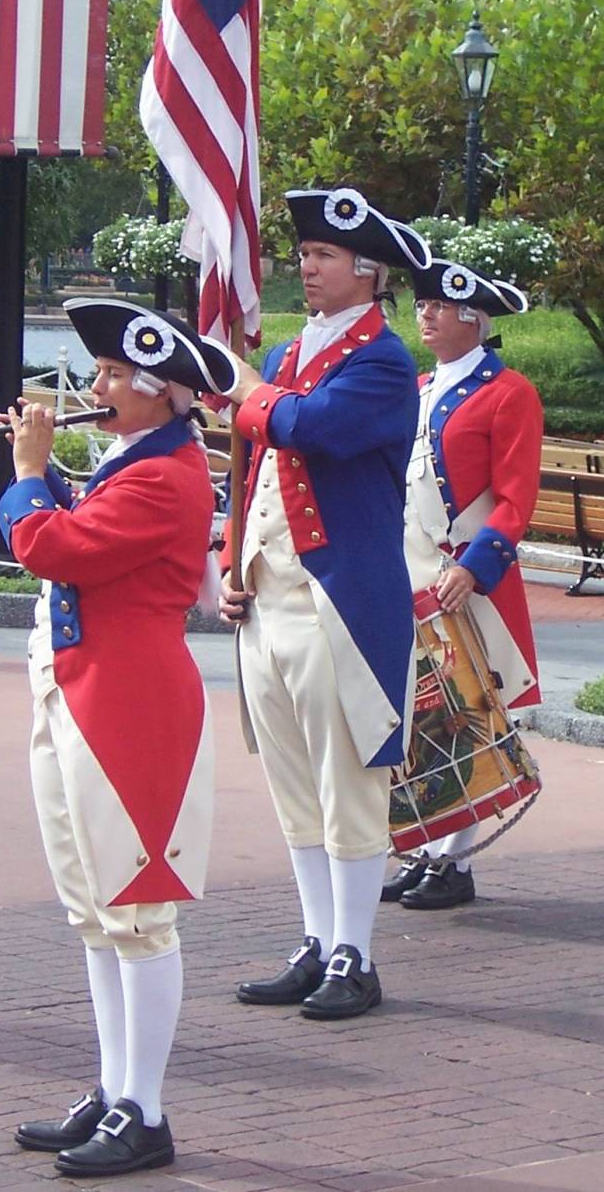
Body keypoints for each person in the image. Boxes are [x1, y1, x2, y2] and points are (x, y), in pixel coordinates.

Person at [0, 298, 233, 1179]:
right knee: (95, 912)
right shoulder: (138, 459)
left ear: (161, 392)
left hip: (127, 705)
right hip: (83, 692)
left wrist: (26, 474)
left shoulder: (164, 475)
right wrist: (48, 471)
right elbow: (77, 531)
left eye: (108, 377)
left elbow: (53, 549)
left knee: (137, 913)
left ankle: (147, 1108)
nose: (93, 388)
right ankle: (113, 1087)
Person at [218, 187, 429, 1021]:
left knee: (349, 785)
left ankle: (356, 954)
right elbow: (250, 469)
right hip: (272, 599)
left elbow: (316, 430)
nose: (306, 267)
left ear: (368, 273)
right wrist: (231, 559)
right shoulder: (279, 360)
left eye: (324, 257)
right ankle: (315, 940)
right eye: (304, 255)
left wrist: (247, 396)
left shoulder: (382, 360)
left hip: (339, 601)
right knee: (294, 784)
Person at [383, 258, 544, 911]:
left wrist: (475, 566)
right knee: (419, 711)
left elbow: (515, 498)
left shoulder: (509, 393)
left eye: (441, 307)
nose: (427, 315)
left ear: (475, 319)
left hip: (461, 578)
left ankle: (455, 863)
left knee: (465, 711)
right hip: (407, 570)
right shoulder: (418, 386)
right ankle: (426, 848)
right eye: (422, 305)